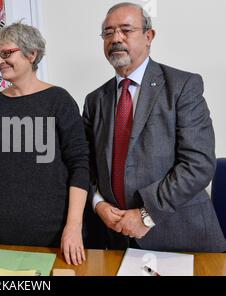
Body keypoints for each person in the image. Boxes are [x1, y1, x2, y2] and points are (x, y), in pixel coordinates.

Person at [83, 2, 226, 252]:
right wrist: (98, 203)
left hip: (181, 238)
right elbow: (86, 164)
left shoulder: (183, 87)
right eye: (108, 32)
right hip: (115, 239)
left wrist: (146, 215)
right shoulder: (94, 100)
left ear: (149, 36)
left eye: (126, 30)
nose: (116, 38)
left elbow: (199, 163)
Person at [0, 22, 90, 265]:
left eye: (6, 53)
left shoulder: (59, 100)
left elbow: (80, 165)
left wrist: (74, 226)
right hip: (3, 230)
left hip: (56, 233)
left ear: (32, 54)